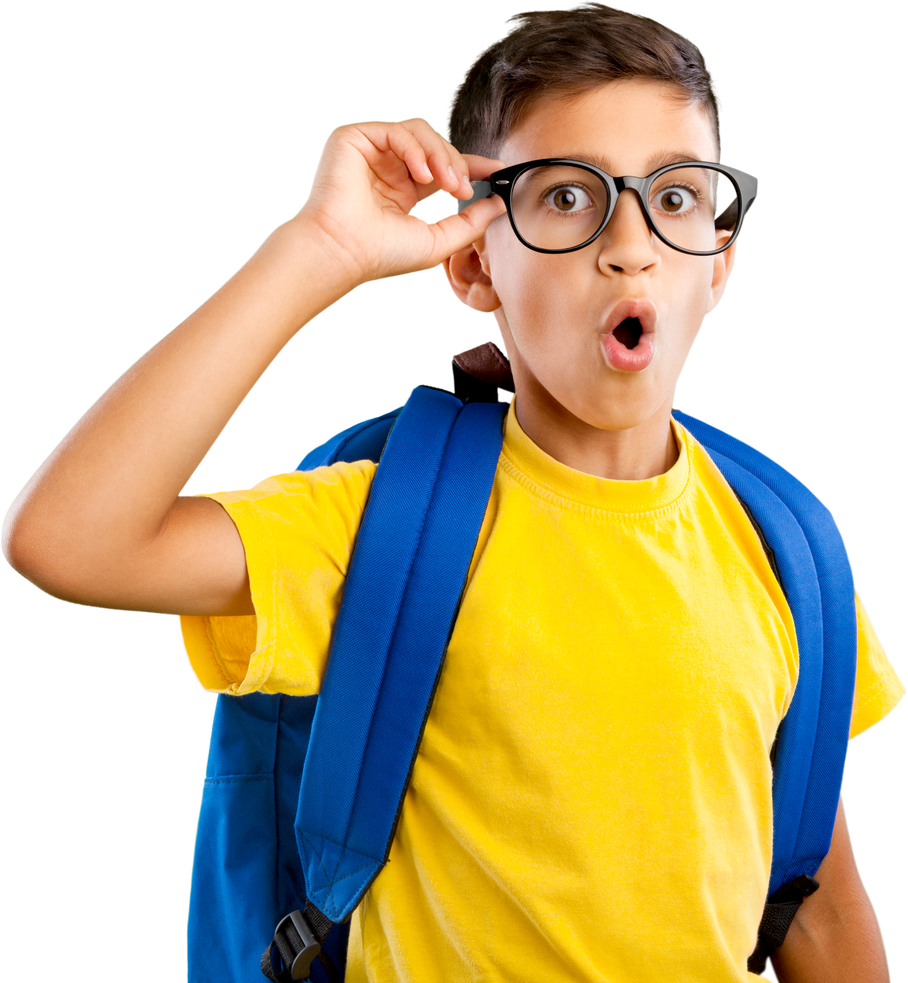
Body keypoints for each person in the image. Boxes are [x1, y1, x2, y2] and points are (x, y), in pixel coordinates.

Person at [2, 4, 903, 982]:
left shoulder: (789, 553)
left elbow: (812, 904)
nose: (630, 243)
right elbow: (68, 538)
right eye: (568, 196)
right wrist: (319, 249)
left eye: (676, 196)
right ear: (476, 263)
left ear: (718, 259)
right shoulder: (381, 526)